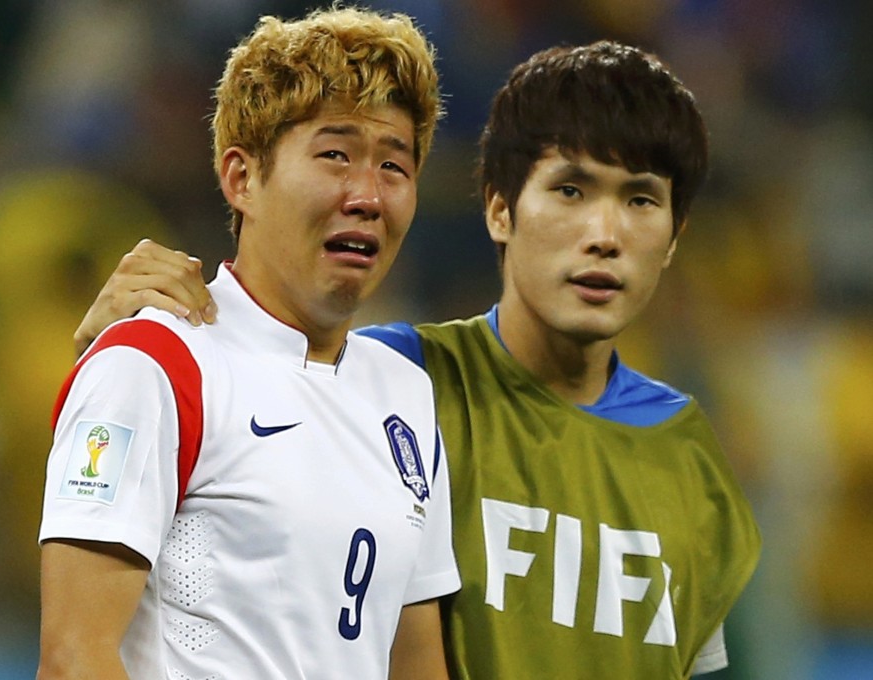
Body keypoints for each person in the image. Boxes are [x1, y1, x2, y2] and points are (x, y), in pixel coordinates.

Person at [76, 41, 762, 679]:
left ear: (675, 236)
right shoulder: (398, 380)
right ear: (499, 209)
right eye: (570, 191)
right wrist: (106, 352)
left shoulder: (694, 456)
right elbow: (225, 386)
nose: (604, 236)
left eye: (641, 200)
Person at [36, 7, 461, 680]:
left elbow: (415, 664)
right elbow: (73, 660)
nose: (368, 195)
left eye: (394, 166)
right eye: (335, 155)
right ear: (242, 179)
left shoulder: (403, 393)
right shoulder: (155, 365)